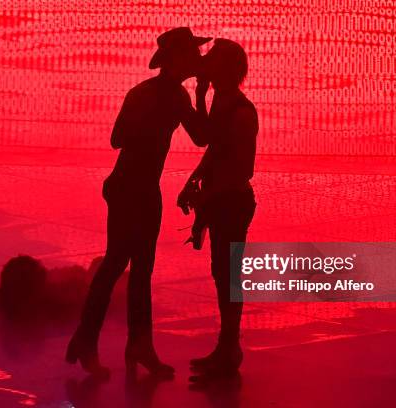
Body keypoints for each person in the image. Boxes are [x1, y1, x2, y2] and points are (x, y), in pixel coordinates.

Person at [66, 27, 212, 378]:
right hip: (135, 188)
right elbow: (199, 137)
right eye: (192, 54)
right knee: (126, 266)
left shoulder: (156, 94)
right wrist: (197, 97)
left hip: (134, 187)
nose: (198, 60)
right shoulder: (166, 96)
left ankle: (117, 343)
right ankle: (108, 343)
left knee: (128, 267)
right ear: (178, 60)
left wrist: (194, 97)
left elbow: (120, 139)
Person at [178, 39, 258, 379]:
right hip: (222, 200)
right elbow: (212, 145)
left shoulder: (240, 110)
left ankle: (230, 348)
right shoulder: (223, 100)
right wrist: (194, 180)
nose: (204, 62)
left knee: (227, 277)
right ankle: (226, 347)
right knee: (223, 275)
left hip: (232, 202)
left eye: (211, 59)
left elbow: (241, 169)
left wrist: (207, 198)